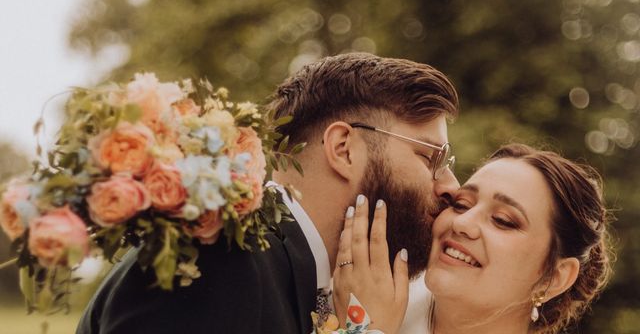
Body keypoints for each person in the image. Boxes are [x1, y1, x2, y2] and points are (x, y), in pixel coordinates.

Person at [77, 52, 460, 333]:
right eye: (429, 157)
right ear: (344, 149)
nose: (450, 187)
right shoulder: (216, 262)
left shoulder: (299, 279)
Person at [331, 143, 612, 334]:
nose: (463, 223)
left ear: (554, 277)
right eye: (461, 204)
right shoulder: (359, 288)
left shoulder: (361, 315)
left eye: (503, 221)